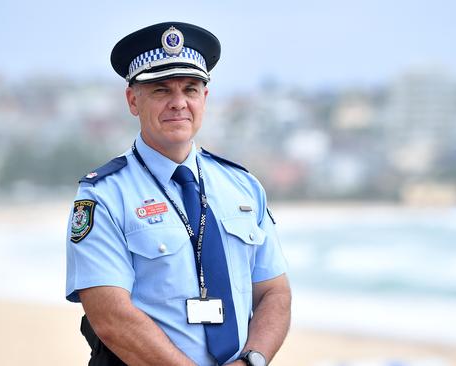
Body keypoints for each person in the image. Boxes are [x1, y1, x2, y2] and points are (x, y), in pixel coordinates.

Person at [65, 22, 291, 366]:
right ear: (132, 100)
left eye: (190, 89)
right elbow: (111, 317)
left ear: (205, 98)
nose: (178, 103)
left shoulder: (243, 186)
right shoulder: (104, 195)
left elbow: (274, 291)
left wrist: (253, 360)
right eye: (160, 90)